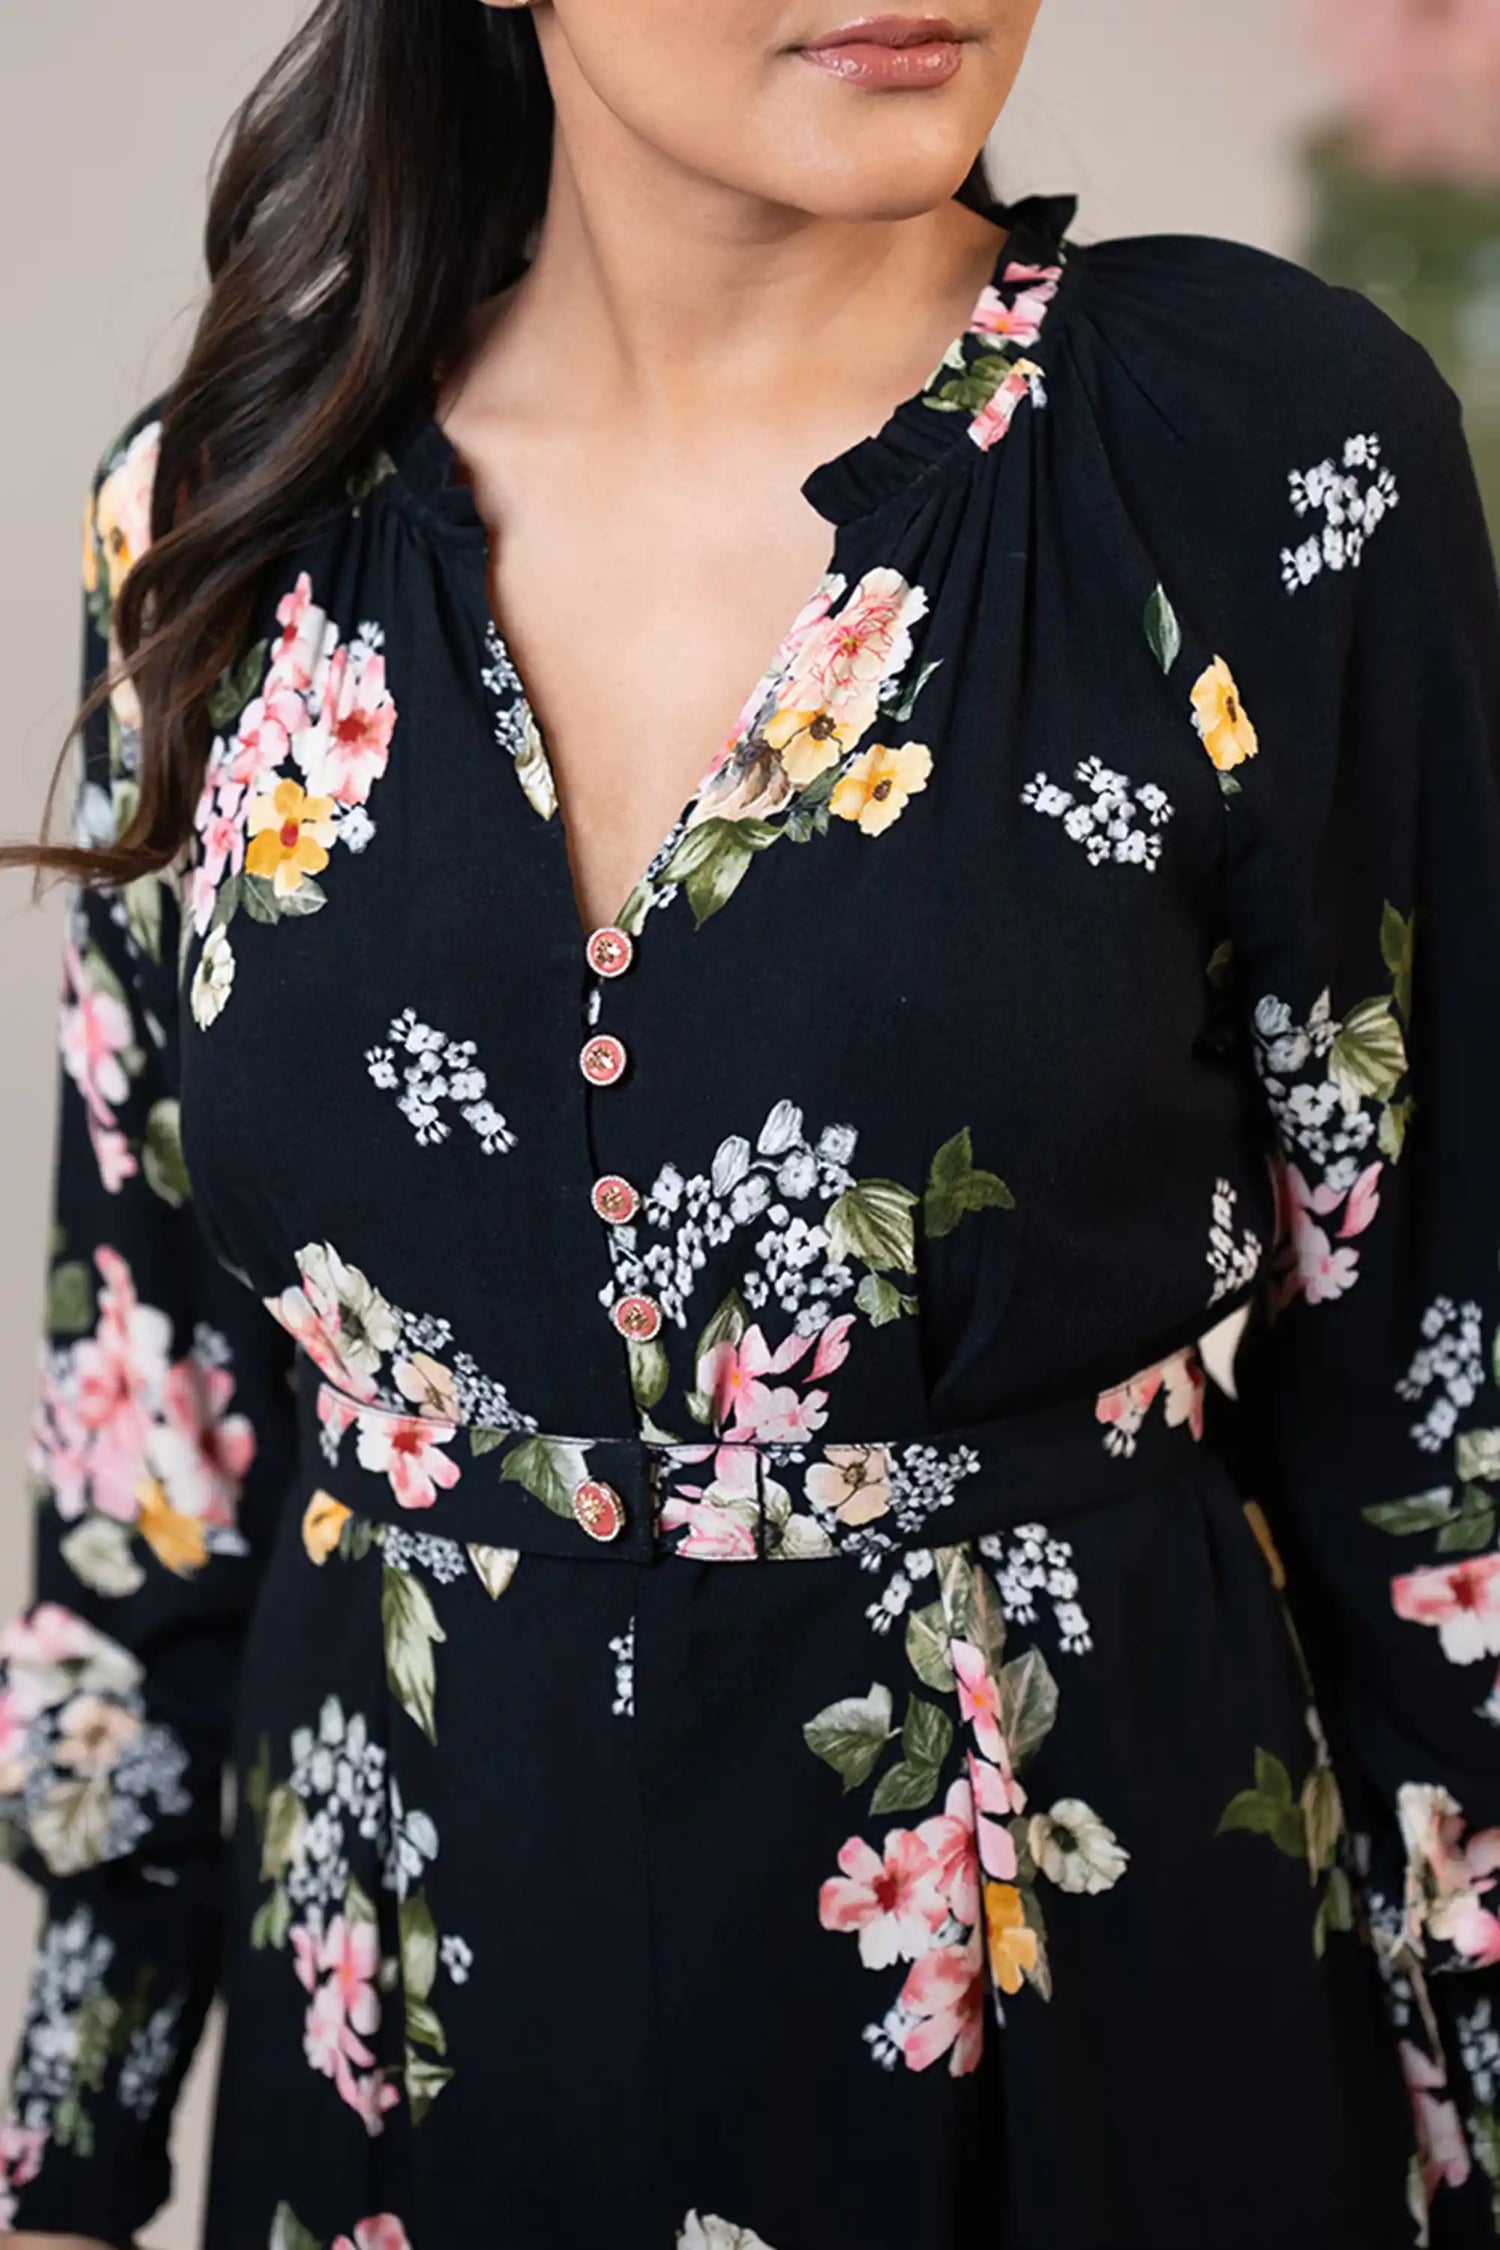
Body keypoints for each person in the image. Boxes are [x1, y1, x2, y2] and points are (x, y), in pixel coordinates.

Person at [1, 1, 1499, 2245]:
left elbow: (1451, 1447)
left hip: (1104, 2088)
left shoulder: (1259, 460)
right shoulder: (224, 509)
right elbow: (156, 1450)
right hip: (421, 2121)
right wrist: (67, 2167)